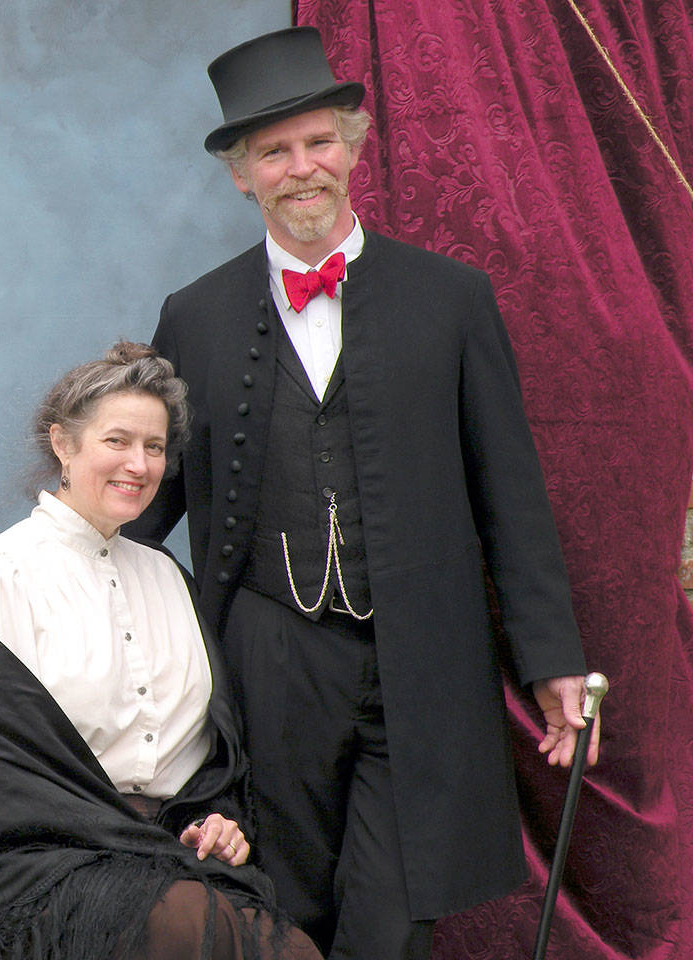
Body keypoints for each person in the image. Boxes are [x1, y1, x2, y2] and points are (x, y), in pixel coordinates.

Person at [124, 27, 600, 960]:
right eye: (274, 152)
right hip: (264, 662)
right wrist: (45, 569)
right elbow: (149, 494)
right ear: (240, 174)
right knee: (280, 910)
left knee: (390, 919)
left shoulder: (452, 299)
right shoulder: (195, 315)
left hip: (417, 659)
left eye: (319, 142)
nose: (302, 169)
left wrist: (551, 658)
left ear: (355, 144)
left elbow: (510, 491)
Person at [0, 342, 320, 960]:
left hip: (165, 853)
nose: (138, 465)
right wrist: (136, 843)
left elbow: (206, 759)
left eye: (155, 447)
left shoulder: (169, 578)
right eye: (117, 441)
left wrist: (214, 821)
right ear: (63, 444)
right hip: (24, 867)